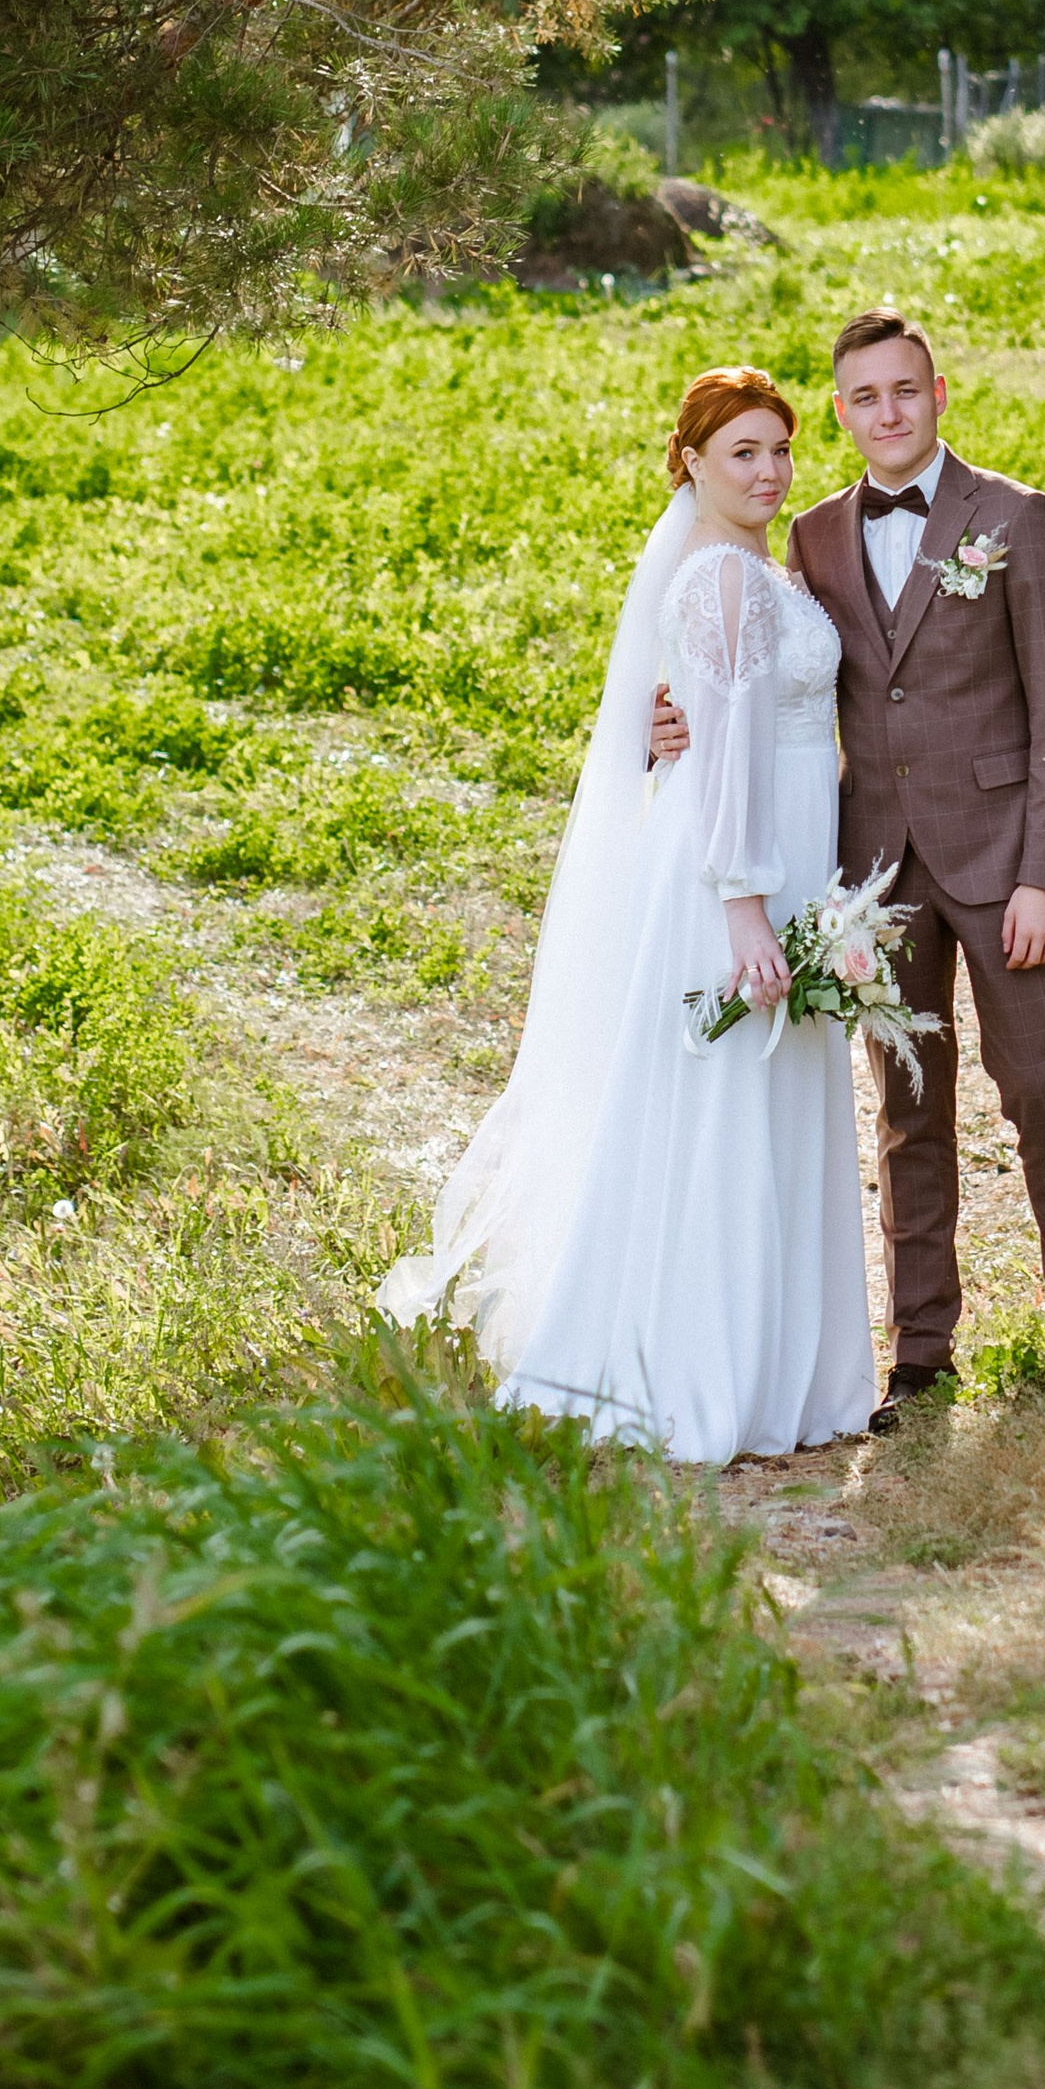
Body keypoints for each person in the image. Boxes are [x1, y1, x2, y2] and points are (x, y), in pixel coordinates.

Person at [376, 367, 875, 1462]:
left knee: (755, 1098)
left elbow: (714, 722)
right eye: (742, 452)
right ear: (689, 460)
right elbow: (732, 752)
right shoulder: (724, 582)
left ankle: (769, 1364)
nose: (769, 471)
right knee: (725, 1104)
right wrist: (746, 910)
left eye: (780, 451)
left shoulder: (750, 566)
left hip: (774, 856)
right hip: (737, 873)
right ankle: (708, 1370)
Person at [655, 311, 1045, 1420]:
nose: (887, 412)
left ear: (939, 393)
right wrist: (663, 726)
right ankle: (921, 1352)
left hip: (1006, 865)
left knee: (1040, 1085)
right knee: (909, 1111)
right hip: (874, 876)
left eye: (904, 390)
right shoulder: (808, 537)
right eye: (863, 397)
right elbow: (747, 671)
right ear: (839, 412)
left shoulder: (1013, 519)